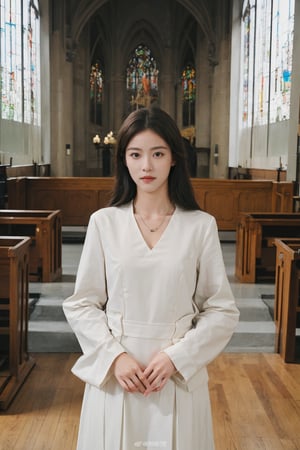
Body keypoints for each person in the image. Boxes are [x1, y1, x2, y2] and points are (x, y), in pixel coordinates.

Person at [63, 106, 239, 450]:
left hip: (175, 375)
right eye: (136, 154)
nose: (146, 166)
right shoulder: (104, 222)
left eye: (157, 153)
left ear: (174, 157)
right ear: (124, 160)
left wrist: (178, 357)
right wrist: (114, 357)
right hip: (118, 376)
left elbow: (222, 310)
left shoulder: (200, 225)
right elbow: (82, 303)